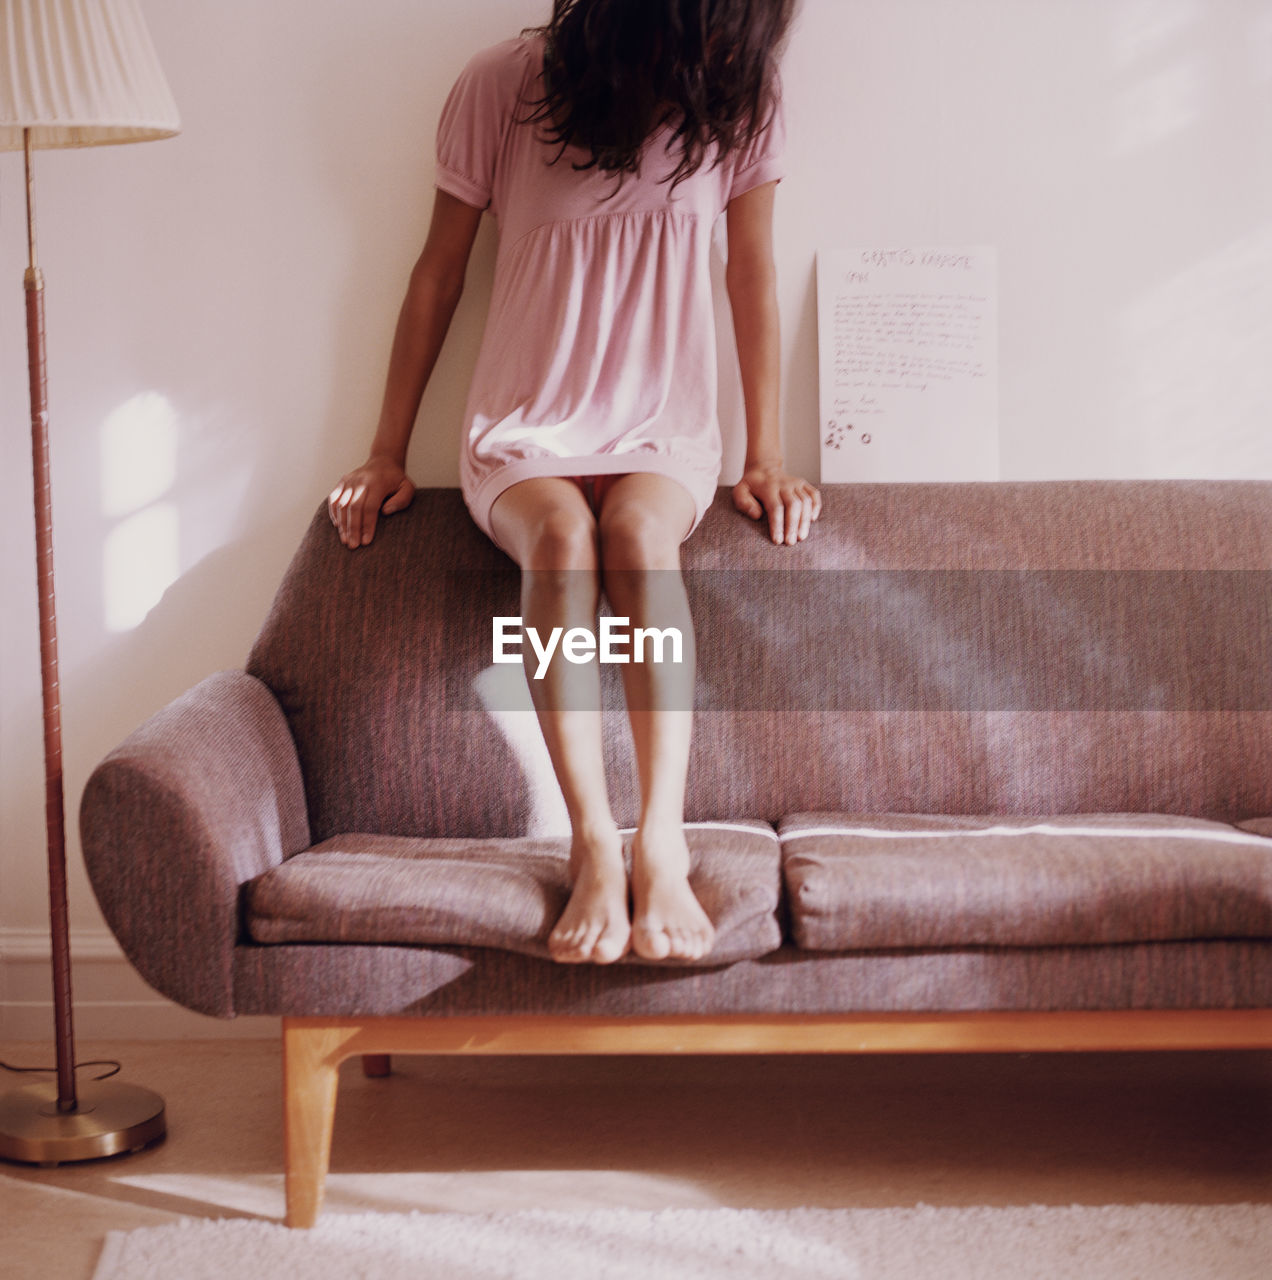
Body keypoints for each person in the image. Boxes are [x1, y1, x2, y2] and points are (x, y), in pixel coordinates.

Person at [327, 0, 820, 967]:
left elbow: (750, 271)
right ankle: (595, 840)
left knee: (637, 539)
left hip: (663, 430)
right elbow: (438, 273)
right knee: (562, 542)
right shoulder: (500, 83)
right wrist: (387, 449)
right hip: (525, 423)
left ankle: (663, 839)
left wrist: (766, 450)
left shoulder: (739, 95)